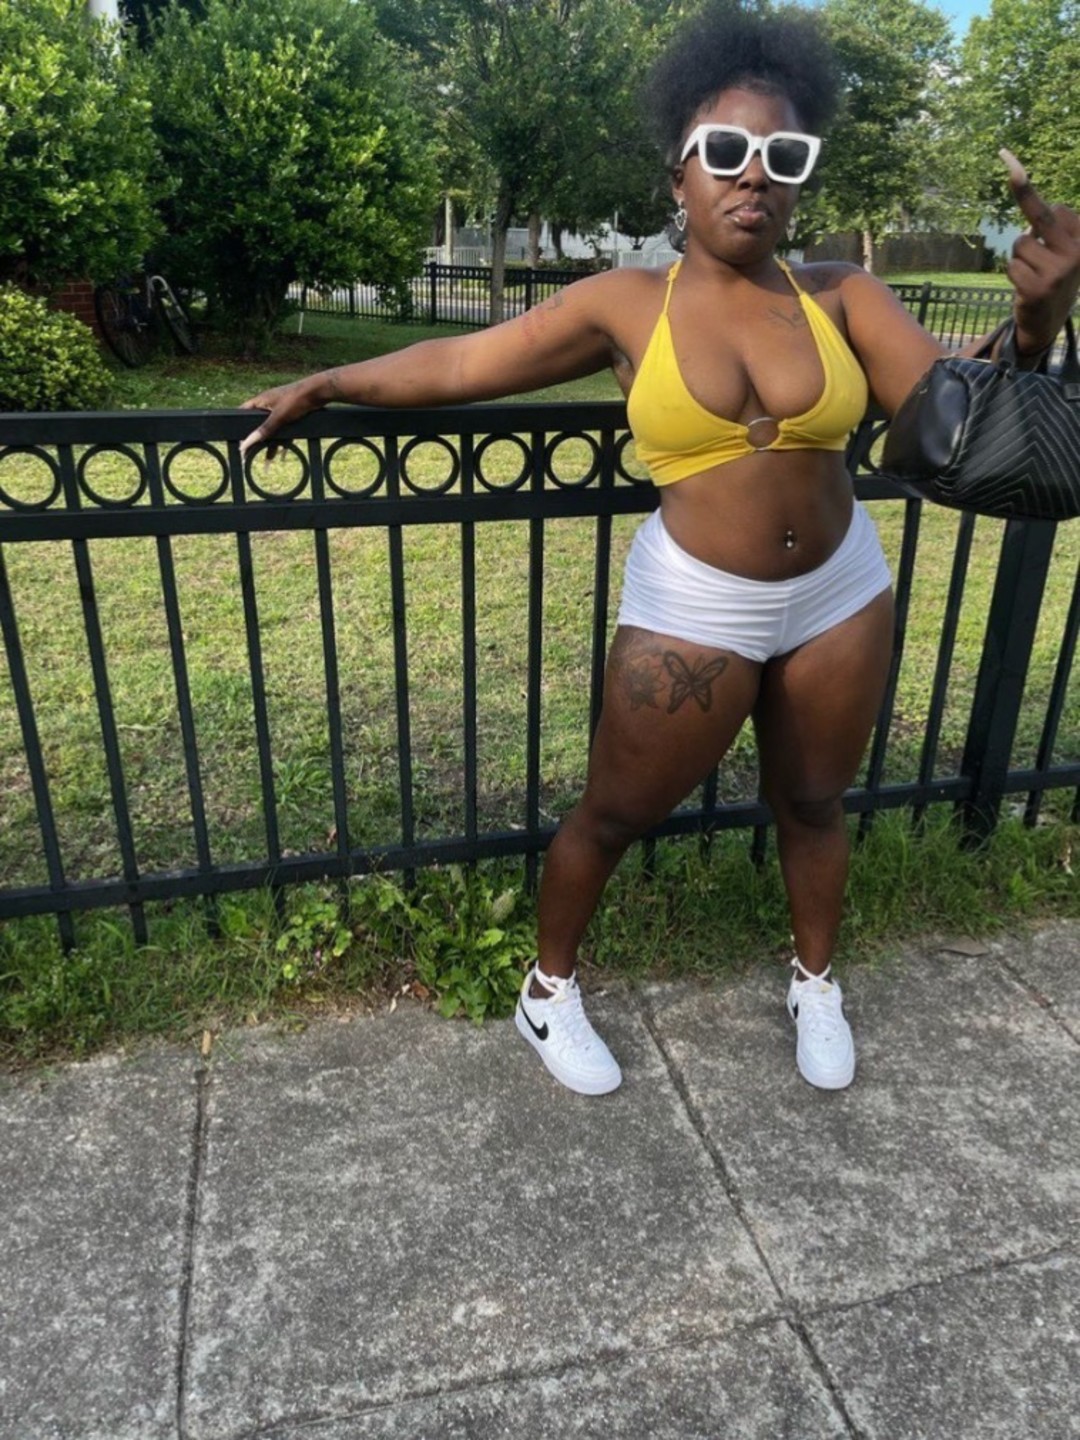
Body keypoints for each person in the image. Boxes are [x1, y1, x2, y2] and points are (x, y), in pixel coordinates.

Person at [240, 5, 1080, 1098]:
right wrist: (331, 380)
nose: (753, 175)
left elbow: (961, 422)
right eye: (725, 151)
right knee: (616, 812)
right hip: (698, 600)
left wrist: (1038, 325)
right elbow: (462, 363)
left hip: (841, 592)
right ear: (678, 173)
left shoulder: (844, 295)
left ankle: (815, 981)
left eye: (783, 156)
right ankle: (547, 992)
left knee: (814, 803)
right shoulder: (628, 304)